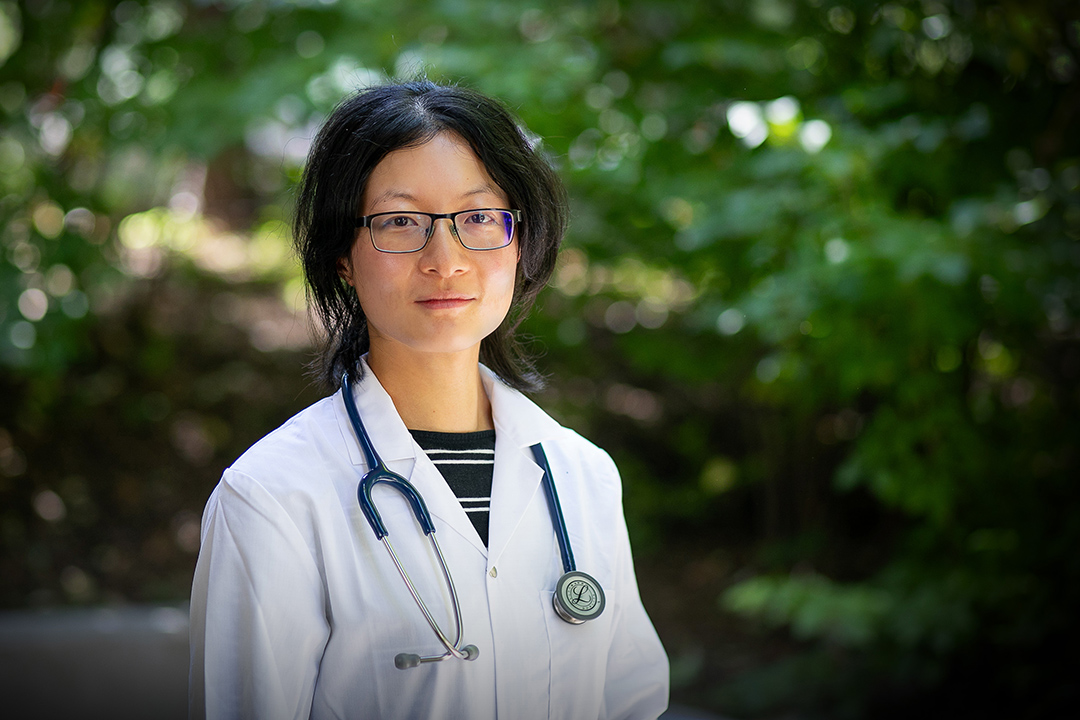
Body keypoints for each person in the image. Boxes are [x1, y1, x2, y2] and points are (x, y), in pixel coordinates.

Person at [188, 79, 669, 720]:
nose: (446, 259)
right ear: (342, 258)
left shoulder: (581, 476)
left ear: (519, 241)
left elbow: (632, 704)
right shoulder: (273, 497)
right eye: (400, 222)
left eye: (477, 218)